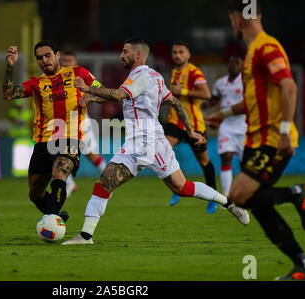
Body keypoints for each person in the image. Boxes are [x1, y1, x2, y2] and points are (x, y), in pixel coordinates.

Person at [62, 38, 249, 245]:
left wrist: (89, 89)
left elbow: (118, 95)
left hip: (146, 142)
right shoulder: (154, 76)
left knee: (106, 182)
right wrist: (191, 131)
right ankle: (229, 203)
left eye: (125, 52)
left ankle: (86, 236)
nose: (121, 55)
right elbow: (175, 103)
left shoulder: (140, 76)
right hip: (144, 141)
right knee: (182, 188)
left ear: (138, 55)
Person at [206, 0, 305, 280]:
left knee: (238, 196)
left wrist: (283, 131)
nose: (232, 24)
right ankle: (304, 265)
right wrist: (224, 113)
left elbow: (289, 87)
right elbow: (252, 101)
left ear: (237, 19)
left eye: (232, 19)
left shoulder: (266, 48)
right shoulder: (252, 54)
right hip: (257, 141)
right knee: (255, 203)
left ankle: (297, 193)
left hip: (271, 140)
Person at [2, 40, 102, 222]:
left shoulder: (78, 73)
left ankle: (51, 222)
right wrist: (10, 67)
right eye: (39, 58)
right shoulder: (36, 83)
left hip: (70, 138)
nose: (44, 60)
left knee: (59, 175)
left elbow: (103, 92)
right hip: (43, 141)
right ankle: (57, 216)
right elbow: (8, 94)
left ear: (57, 55)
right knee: (35, 193)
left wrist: (90, 93)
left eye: (48, 55)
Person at [163, 41, 218, 213]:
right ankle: (177, 188)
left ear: (188, 55)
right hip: (175, 122)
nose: (177, 55)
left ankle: (213, 197)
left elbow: (206, 94)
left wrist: (183, 92)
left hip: (194, 125)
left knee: (204, 161)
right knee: (164, 152)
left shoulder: (194, 72)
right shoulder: (174, 72)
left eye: (181, 52)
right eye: (174, 52)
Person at [60, 51, 108, 197]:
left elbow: (103, 91)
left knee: (90, 154)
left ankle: (107, 182)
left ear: (76, 63)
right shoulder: (55, 78)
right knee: (57, 154)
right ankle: (69, 183)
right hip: (60, 122)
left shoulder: (83, 75)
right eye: (65, 61)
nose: (67, 63)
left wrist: (91, 96)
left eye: (70, 61)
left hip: (80, 120)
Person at [207, 56, 247, 197]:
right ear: (227, 65)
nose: (234, 65)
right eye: (231, 63)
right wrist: (206, 105)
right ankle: (227, 196)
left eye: (237, 62)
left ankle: (244, 194)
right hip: (227, 126)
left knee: (245, 163)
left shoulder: (246, 82)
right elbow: (215, 99)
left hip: (244, 125)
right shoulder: (220, 83)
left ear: (242, 66)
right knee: (226, 157)